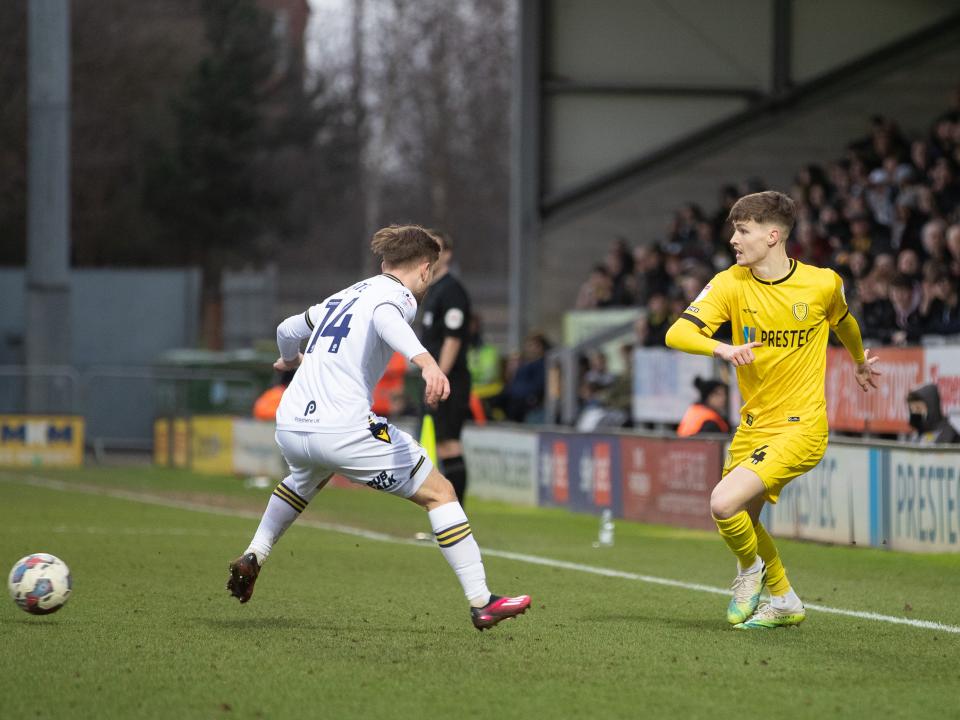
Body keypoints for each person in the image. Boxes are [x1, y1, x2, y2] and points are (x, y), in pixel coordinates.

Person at [226, 225, 530, 631]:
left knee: (304, 479)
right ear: (424, 270)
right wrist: (426, 362)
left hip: (292, 424)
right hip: (342, 427)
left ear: (385, 263)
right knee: (441, 494)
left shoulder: (343, 295)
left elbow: (286, 329)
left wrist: (290, 359)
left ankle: (255, 554)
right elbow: (387, 320)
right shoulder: (397, 297)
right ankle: (482, 601)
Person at [665, 191, 880, 629]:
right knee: (742, 516)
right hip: (753, 426)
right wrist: (722, 349)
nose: (733, 239)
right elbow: (676, 334)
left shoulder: (822, 283)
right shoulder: (729, 284)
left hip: (801, 427)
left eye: (743, 230)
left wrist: (858, 361)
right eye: (734, 230)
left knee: (724, 503)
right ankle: (784, 600)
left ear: (773, 235)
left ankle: (749, 574)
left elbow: (845, 322)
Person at [418, 231, 472, 505]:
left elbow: (453, 340)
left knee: (450, 443)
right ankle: (447, 510)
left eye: (435, 248)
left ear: (447, 254)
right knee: (440, 444)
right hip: (438, 379)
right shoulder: (434, 290)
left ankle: (456, 513)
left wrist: (438, 378)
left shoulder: (452, 291)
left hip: (450, 380)